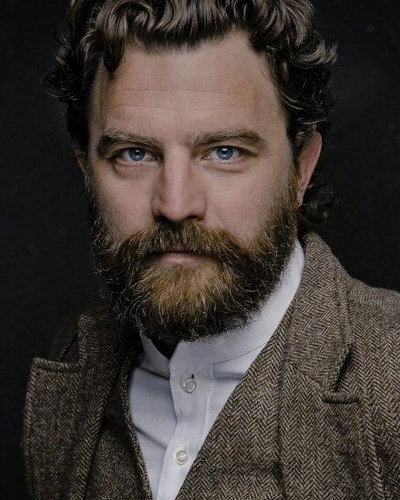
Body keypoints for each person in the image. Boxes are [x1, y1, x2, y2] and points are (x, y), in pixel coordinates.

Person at [22, 0, 400, 499]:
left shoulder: (389, 374)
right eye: (134, 154)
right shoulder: (73, 359)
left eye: (225, 152)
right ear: (86, 169)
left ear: (301, 168)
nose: (176, 205)